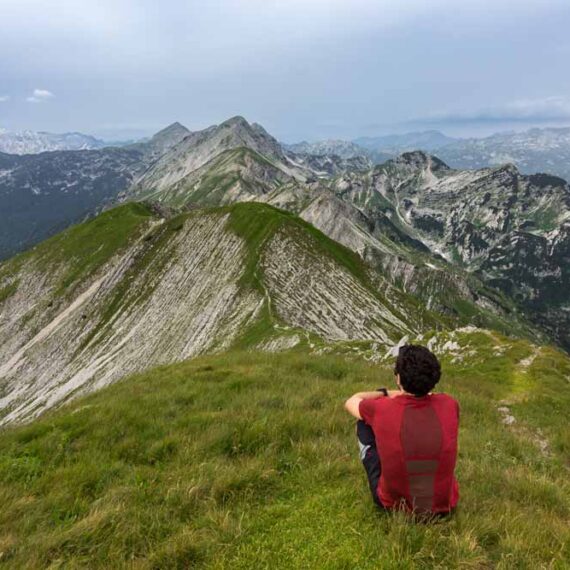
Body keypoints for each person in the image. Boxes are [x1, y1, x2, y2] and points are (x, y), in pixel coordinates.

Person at [344, 344, 459, 515]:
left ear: (398, 378)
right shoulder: (450, 404)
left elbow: (352, 401)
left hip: (394, 506)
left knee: (363, 423)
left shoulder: (381, 408)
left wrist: (384, 392)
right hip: (444, 505)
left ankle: (385, 478)